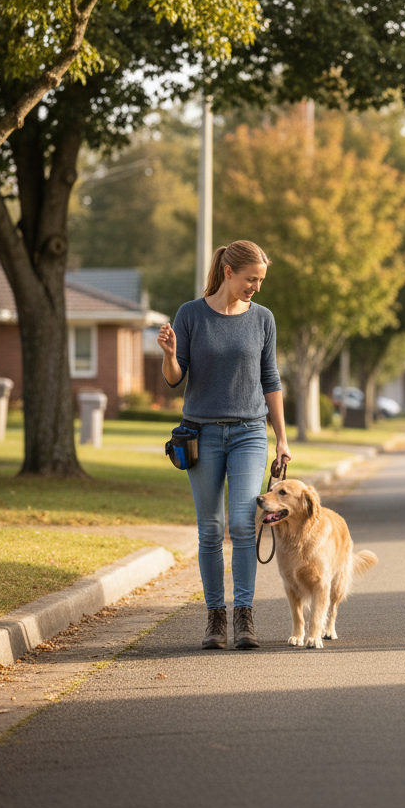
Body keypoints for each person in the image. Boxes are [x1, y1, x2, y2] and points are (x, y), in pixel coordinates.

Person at [158, 240, 291, 650]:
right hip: (201, 434)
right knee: (211, 529)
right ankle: (215, 620)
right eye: (251, 278)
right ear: (229, 272)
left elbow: (270, 380)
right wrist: (169, 353)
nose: (256, 286)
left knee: (242, 523)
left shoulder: (262, 319)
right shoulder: (191, 314)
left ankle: (244, 619)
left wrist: (282, 438)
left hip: (250, 432)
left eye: (261, 280)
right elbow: (174, 378)